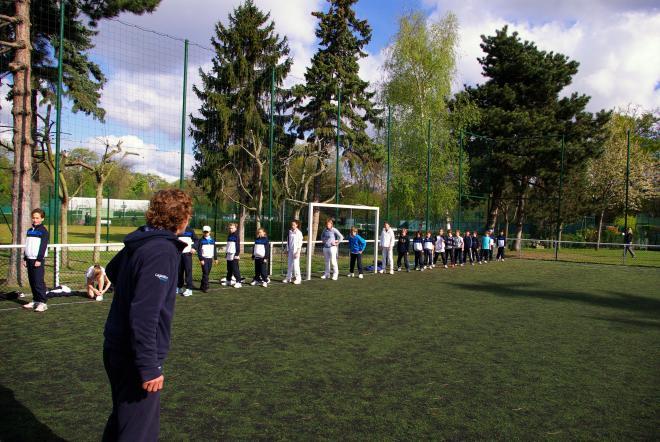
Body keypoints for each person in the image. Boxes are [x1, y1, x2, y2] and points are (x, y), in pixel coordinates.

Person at [103, 188, 193, 442]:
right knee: (138, 432)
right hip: (134, 356)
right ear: (182, 218)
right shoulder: (161, 251)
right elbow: (144, 314)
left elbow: (113, 269)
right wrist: (148, 366)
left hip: (115, 347)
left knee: (123, 421)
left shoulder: (141, 240)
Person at [21, 208, 49, 312]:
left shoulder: (43, 231)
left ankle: (43, 302)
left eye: (37, 218)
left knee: (38, 282)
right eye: (33, 218)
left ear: (42, 219)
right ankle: (35, 300)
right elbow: (27, 245)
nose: (35, 220)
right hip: (29, 259)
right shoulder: (30, 230)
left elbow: (43, 246)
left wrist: (39, 259)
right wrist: (25, 258)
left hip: (37, 261)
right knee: (32, 281)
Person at [176, 225, 198, 297]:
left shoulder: (190, 230)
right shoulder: (177, 229)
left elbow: (196, 240)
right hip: (179, 254)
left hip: (187, 254)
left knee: (188, 271)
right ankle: (179, 287)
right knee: (179, 271)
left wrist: (194, 248)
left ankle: (189, 289)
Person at [197, 226, 217, 293]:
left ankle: (202, 286)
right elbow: (199, 251)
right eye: (204, 232)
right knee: (205, 273)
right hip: (204, 259)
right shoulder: (201, 241)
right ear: (203, 232)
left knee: (207, 273)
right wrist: (201, 259)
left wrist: (215, 258)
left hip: (210, 259)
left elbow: (214, 250)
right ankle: (205, 287)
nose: (206, 233)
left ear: (209, 232)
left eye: (207, 232)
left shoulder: (212, 240)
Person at [222, 223, 242, 288]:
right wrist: (226, 254)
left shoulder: (236, 235)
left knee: (235, 268)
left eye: (232, 228)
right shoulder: (229, 235)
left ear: (235, 228)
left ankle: (238, 282)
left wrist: (237, 254)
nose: (230, 229)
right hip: (229, 254)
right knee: (229, 269)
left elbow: (237, 246)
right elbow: (228, 245)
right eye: (230, 228)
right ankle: (228, 280)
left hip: (234, 254)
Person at [284, 219, 303, 284]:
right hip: (290, 250)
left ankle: (298, 279)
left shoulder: (299, 233)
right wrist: (287, 250)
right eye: (292, 225)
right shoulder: (289, 232)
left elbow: (300, 243)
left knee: (296, 265)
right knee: (289, 264)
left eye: (294, 225)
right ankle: (288, 278)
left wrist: (298, 252)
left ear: (297, 225)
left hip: (296, 251)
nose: (292, 226)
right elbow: (288, 242)